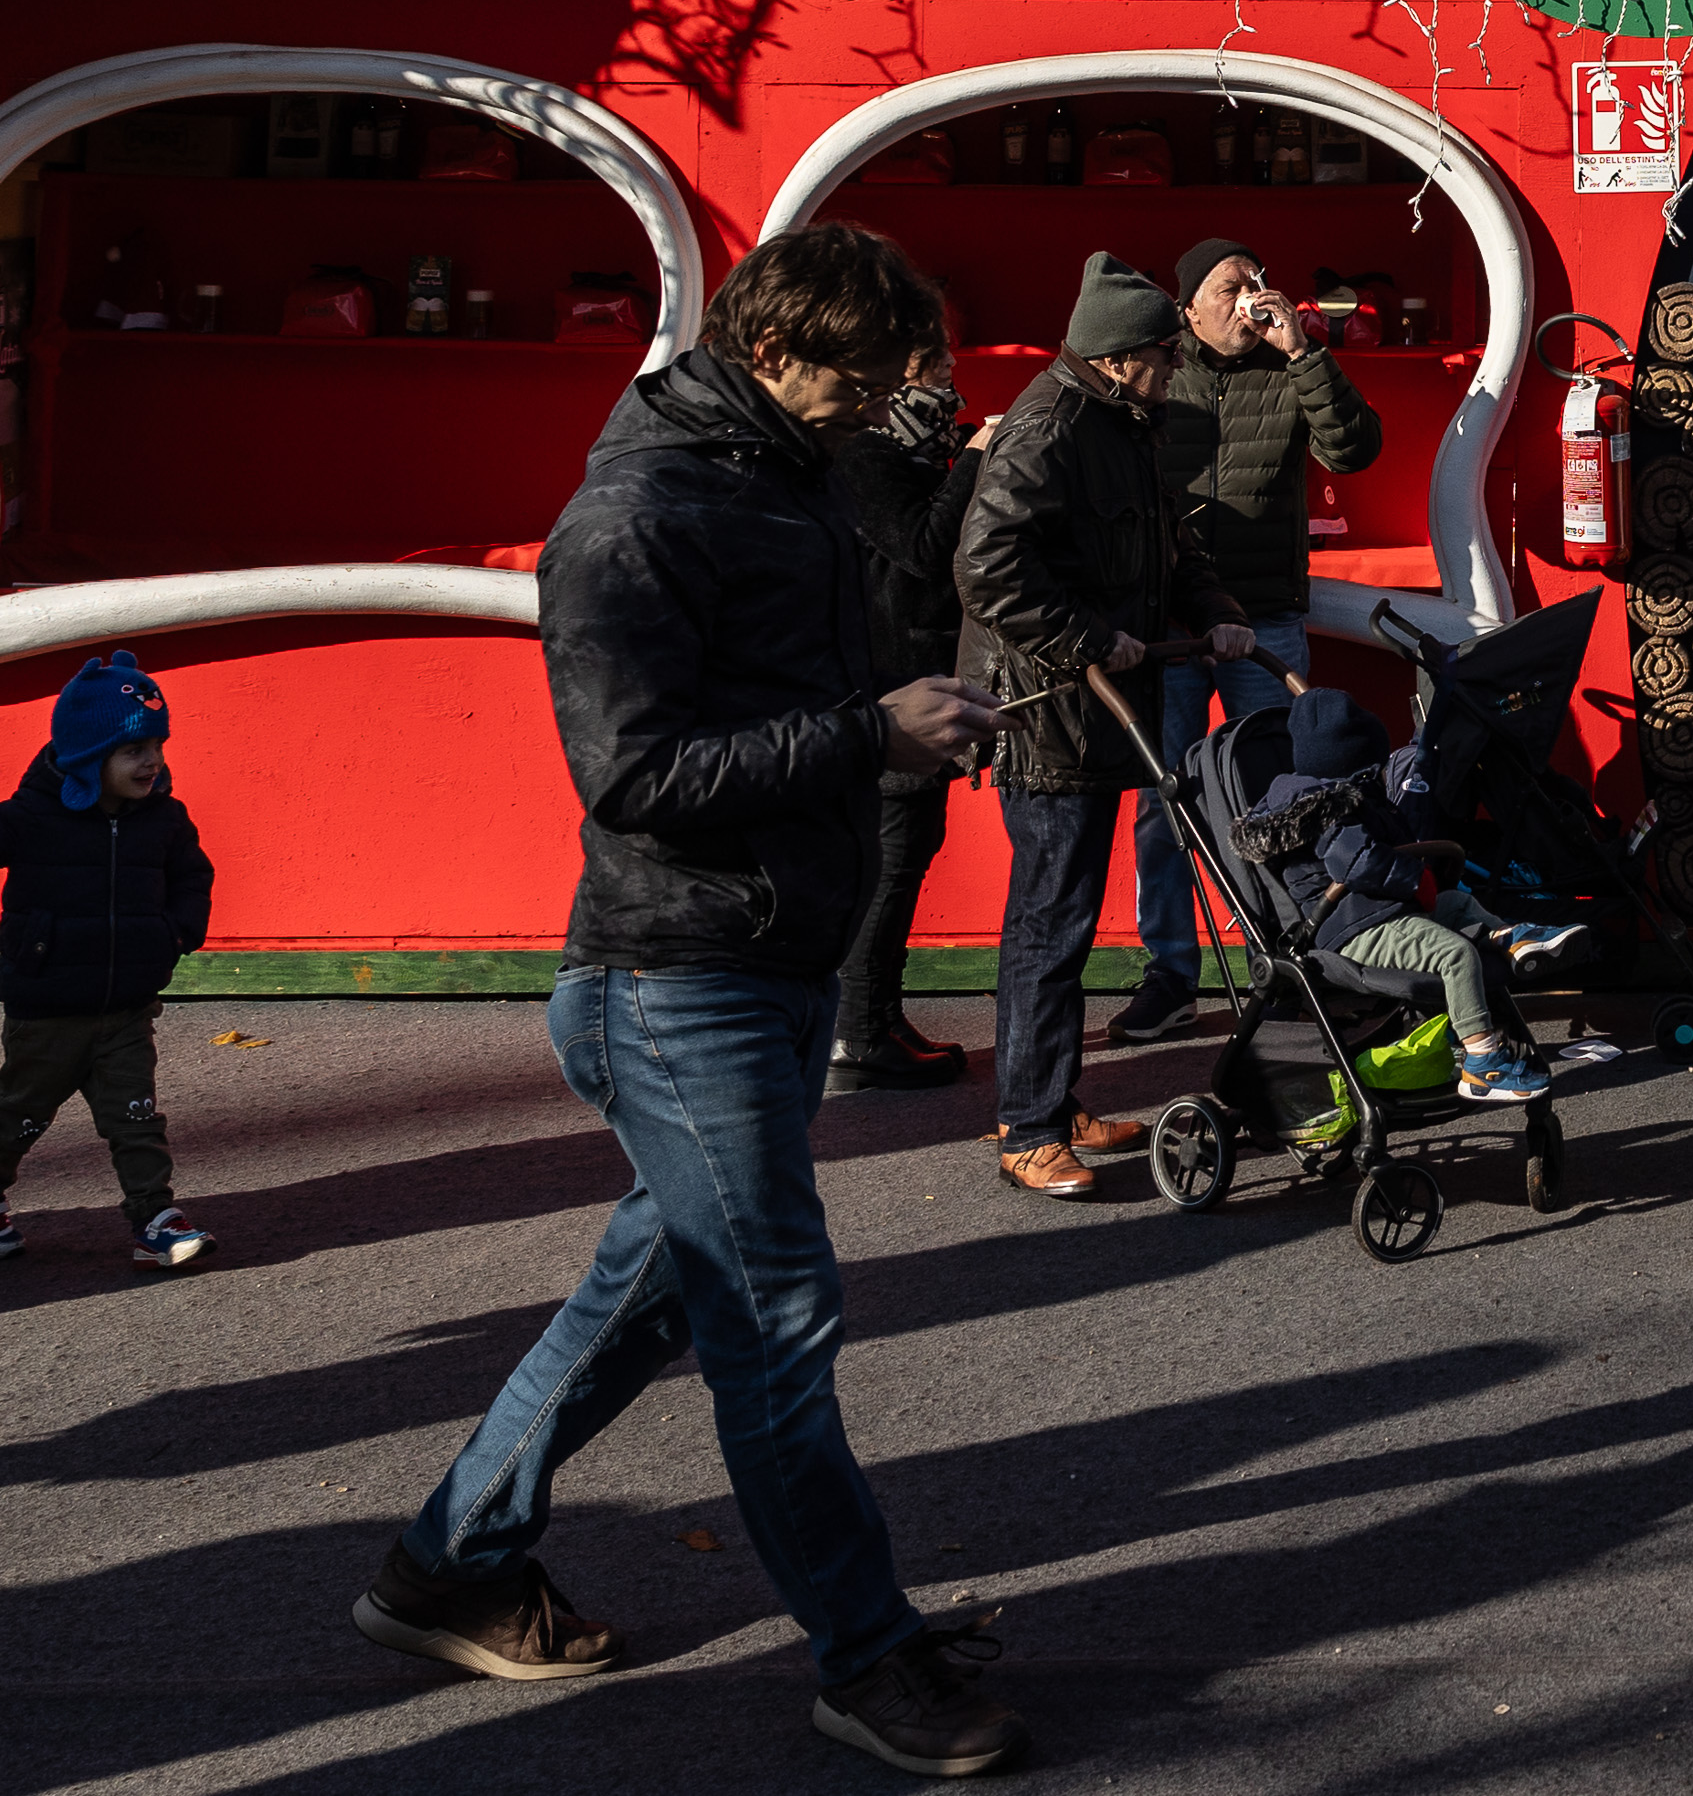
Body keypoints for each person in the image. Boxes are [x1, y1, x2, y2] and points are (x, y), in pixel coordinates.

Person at [348, 222, 1021, 1780]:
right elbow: (630, 777)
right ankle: (867, 1659)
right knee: (775, 1323)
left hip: (761, 960)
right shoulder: (635, 514)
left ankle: (444, 1567)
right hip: (675, 980)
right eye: (863, 381)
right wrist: (869, 732)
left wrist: (903, 715)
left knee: (640, 1299)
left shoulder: (781, 463)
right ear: (774, 352)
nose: (881, 406)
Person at [958, 253, 1248, 1198]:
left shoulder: (1125, 420)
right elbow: (988, 565)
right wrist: (1091, 636)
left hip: (1095, 702)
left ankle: (1049, 1096)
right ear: (1122, 358)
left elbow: (1171, 538)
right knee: (1049, 919)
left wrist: (1210, 607)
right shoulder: (1049, 426)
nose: (1176, 365)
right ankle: (1029, 1126)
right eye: (1166, 352)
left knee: (1066, 916)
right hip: (1050, 710)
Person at [1128, 237, 1380, 1044]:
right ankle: (1171, 972)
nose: (1250, 298)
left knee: (1281, 797)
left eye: (1258, 282)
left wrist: (1304, 351)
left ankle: (1291, 959)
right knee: (1161, 802)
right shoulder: (1156, 374)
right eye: (1231, 286)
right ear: (1187, 308)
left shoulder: (1289, 366)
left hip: (1263, 615)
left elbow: (1355, 448)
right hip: (1167, 626)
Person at [0, 648, 215, 1269]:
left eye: (157, 746)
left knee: (137, 1120)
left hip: (125, 1007)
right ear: (88, 758)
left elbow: (191, 875)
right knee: (20, 1117)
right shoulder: (35, 816)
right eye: (133, 750)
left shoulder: (164, 819)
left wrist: (176, 934)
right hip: (46, 1009)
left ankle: (155, 1219)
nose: (151, 761)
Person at [1252, 685, 1547, 1097]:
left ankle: (1511, 937)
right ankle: (1483, 1062)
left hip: (1378, 911)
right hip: (1352, 928)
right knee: (1456, 954)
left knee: (1457, 902)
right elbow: (1357, 863)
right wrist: (1414, 879)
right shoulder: (1322, 810)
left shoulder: (1352, 796)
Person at [826, 345, 977, 1094]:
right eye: (939, 369)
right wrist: (975, 465)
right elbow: (923, 548)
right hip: (890, 682)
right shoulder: (868, 457)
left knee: (909, 850)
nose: (951, 384)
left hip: (917, 673)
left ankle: (876, 1017)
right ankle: (859, 1030)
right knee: (892, 858)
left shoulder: (914, 454)